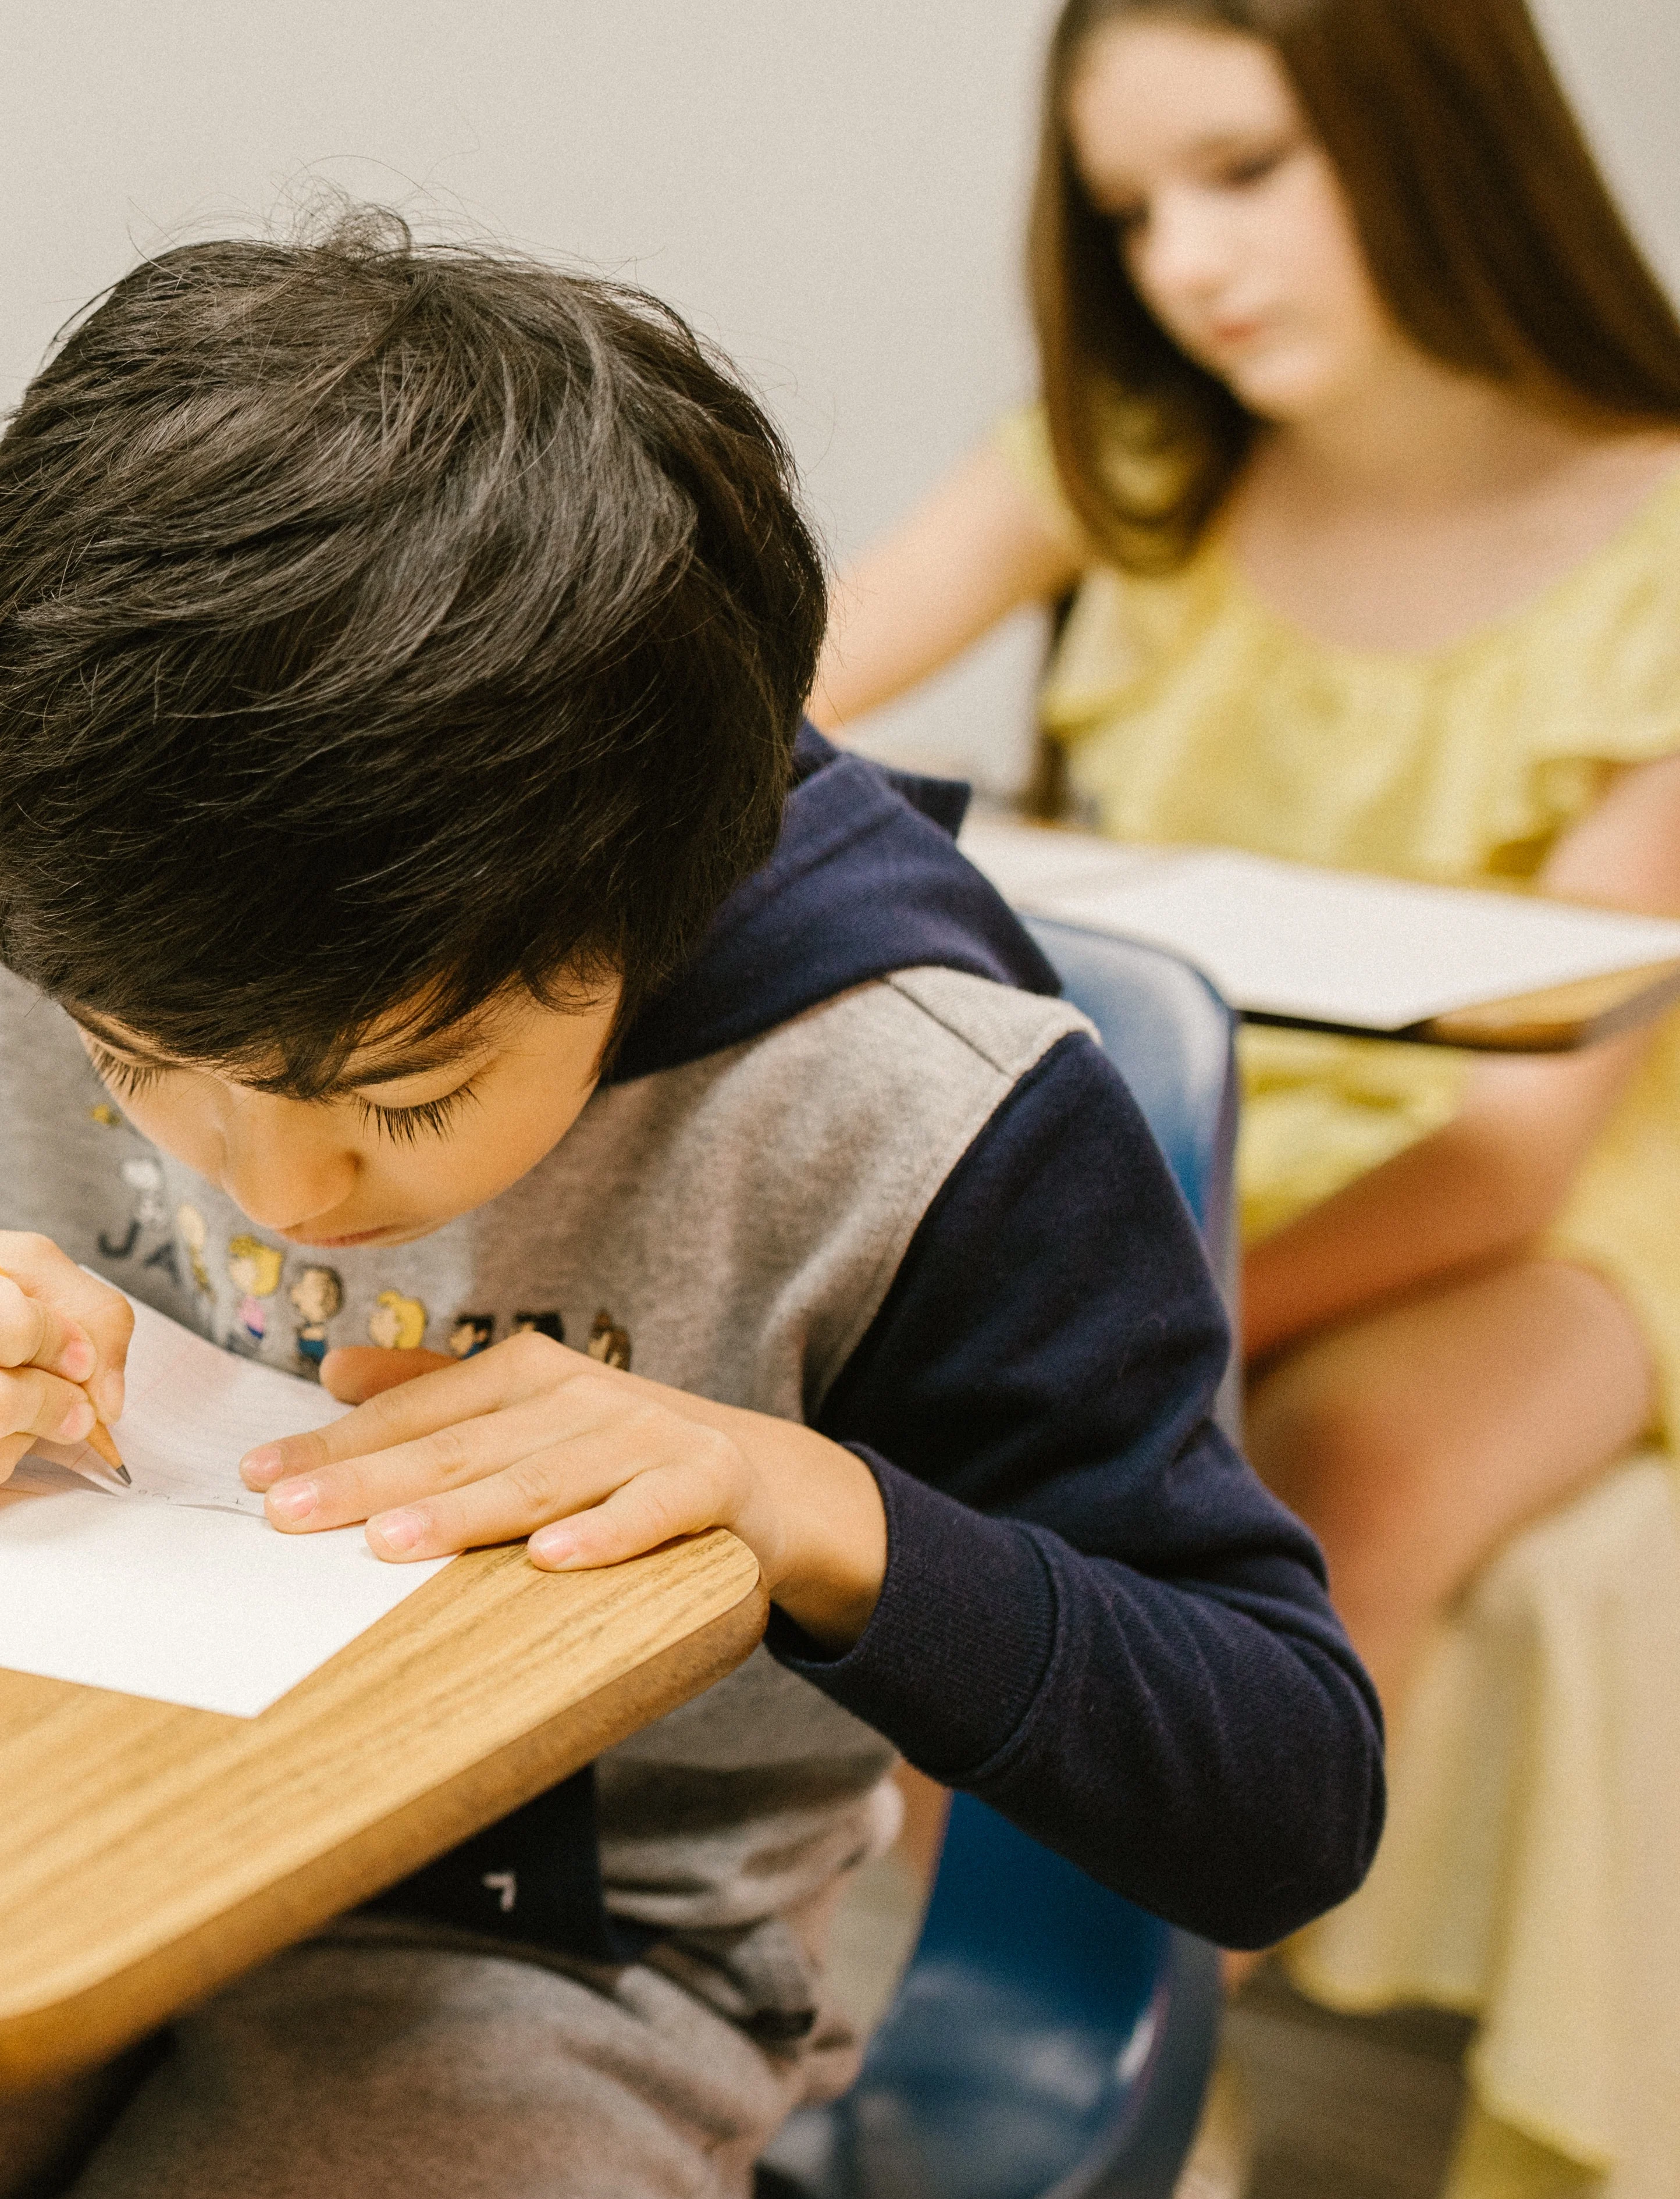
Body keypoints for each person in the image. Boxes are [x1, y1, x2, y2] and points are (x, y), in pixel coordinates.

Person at [0, 209, 1378, 2198]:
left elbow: (1284, 1784)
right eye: (140, 1064)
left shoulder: (914, 1100)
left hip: (560, 1946)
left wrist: (797, 1505)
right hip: (28, 1799)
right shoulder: (89, 858)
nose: (280, 1184)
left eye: (399, 1101)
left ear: (651, 915)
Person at [814, 7, 1680, 2182]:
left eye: (1241, 168)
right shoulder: (1117, 456)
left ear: (1436, 131)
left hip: (1551, 1203)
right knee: (952, 1443)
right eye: (1126, 207)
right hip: (1180, 1143)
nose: (1181, 260)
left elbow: (1511, 1146)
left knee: (1336, 1475)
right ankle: (941, 2026)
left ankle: (1115, 2054)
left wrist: (1164, 1305)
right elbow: (755, 684)